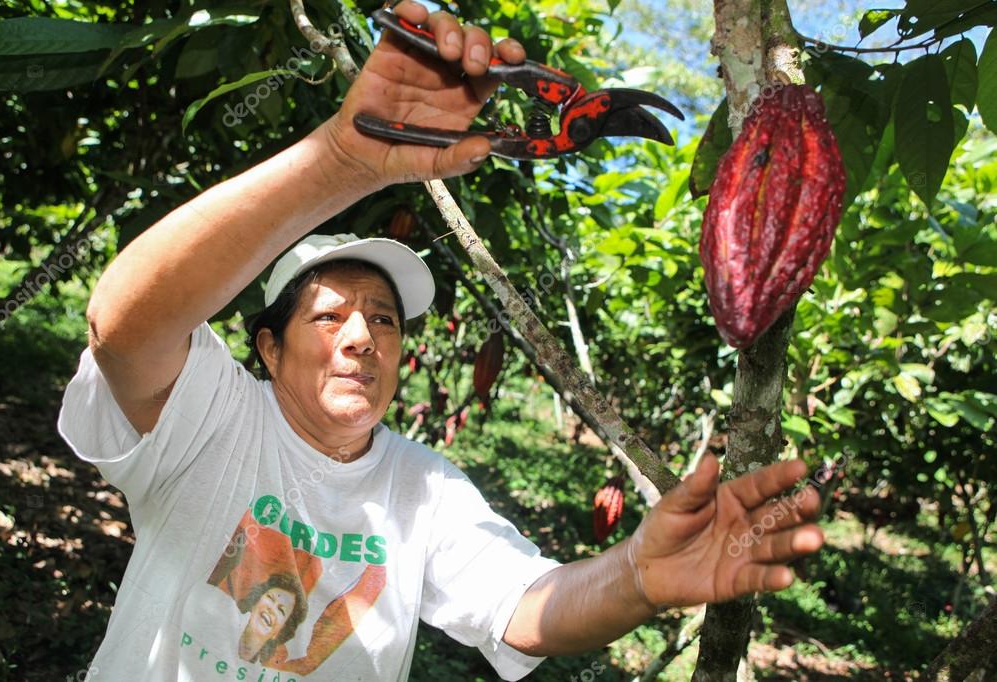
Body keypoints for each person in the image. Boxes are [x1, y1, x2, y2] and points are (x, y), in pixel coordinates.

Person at [57, 1, 825, 680]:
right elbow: (125, 329)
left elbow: (523, 608)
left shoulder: (422, 489)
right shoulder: (213, 421)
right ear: (267, 349)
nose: (362, 337)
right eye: (328, 317)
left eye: (384, 319)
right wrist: (342, 163)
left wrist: (637, 576)